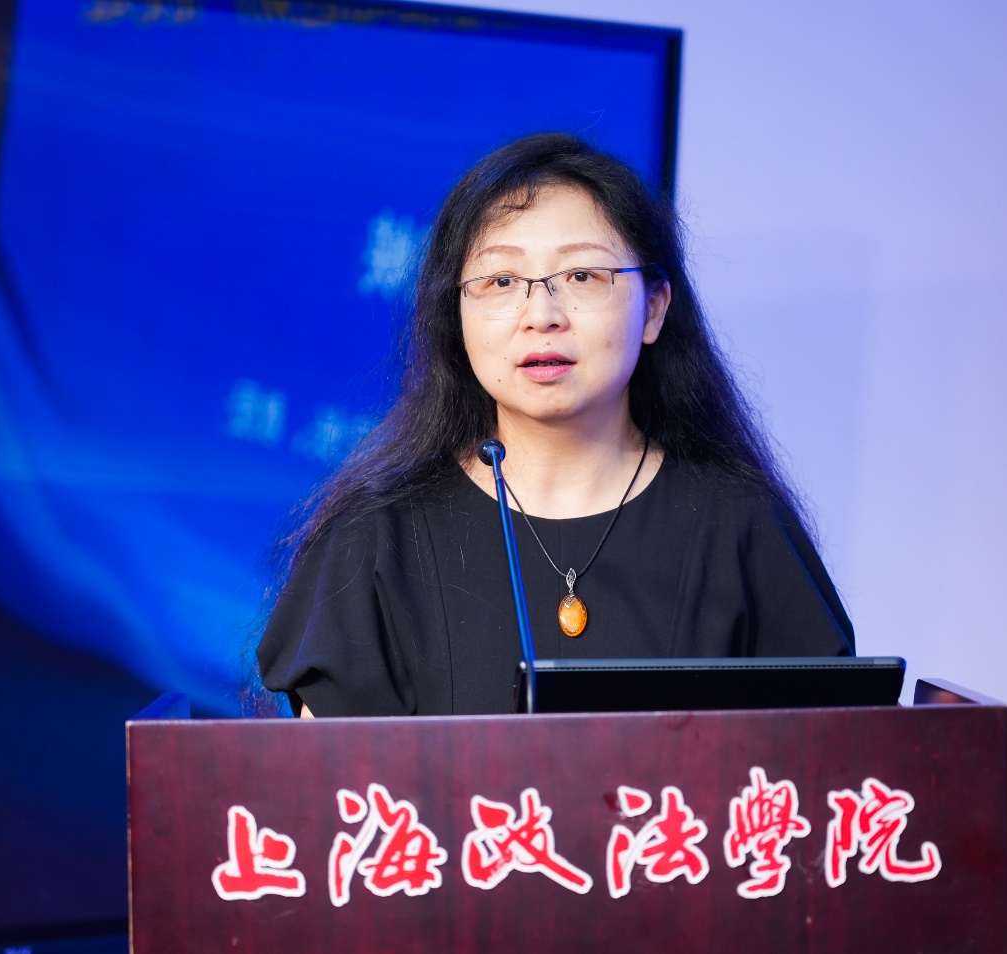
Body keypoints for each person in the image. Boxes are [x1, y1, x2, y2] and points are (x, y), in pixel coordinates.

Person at [257, 133, 853, 717]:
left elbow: (825, 760)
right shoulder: (374, 540)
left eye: (582, 276)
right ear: (457, 318)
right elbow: (332, 781)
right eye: (501, 282)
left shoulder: (741, 526)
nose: (541, 316)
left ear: (654, 308)